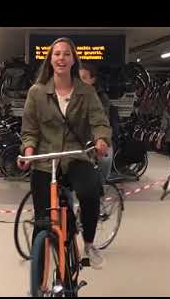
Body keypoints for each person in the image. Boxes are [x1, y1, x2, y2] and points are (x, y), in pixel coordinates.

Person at [18, 37, 112, 269]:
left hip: (75, 156)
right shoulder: (37, 92)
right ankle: (39, 282)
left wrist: (101, 140)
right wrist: (28, 152)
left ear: (73, 60)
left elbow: (99, 121)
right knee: (42, 222)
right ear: (51, 59)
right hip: (44, 161)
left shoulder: (86, 92)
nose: (61, 58)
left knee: (89, 192)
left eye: (66, 54)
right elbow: (29, 129)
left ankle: (88, 244)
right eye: (57, 54)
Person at [79, 63, 113, 180]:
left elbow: (101, 121)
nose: (80, 82)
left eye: (84, 78)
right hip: (75, 138)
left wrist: (100, 140)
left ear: (92, 80)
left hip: (94, 136)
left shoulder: (101, 98)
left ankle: (100, 185)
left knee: (105, 159)